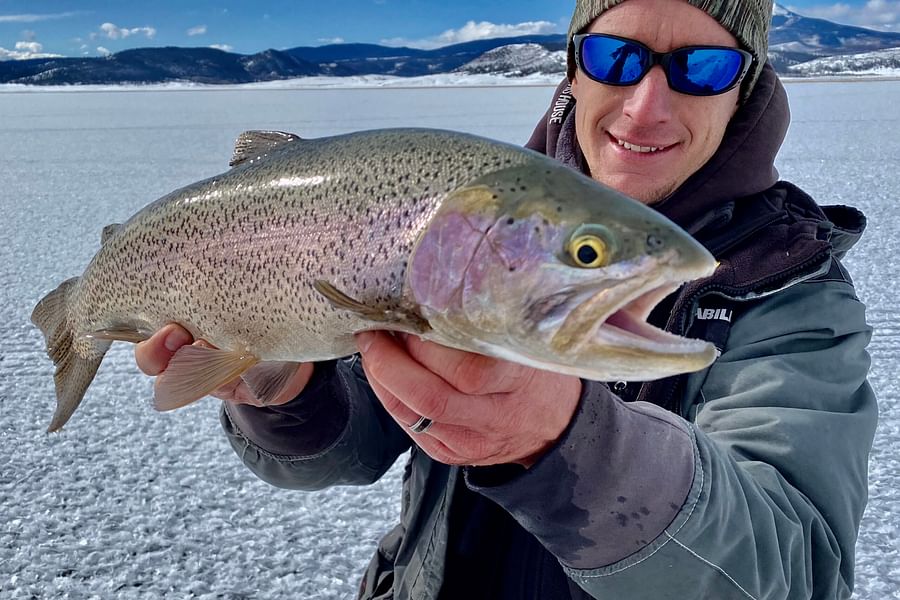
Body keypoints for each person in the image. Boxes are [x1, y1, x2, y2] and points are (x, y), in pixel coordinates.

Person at [135, 0, 878, 597]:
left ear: (744, 88)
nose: (646, 106)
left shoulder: (791, 293)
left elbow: (795, 575)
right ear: (573, 71)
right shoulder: (465, 233)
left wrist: (566, 445)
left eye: (704, 67)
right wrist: (288, 391)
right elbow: (352, 452)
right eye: (613, 57)